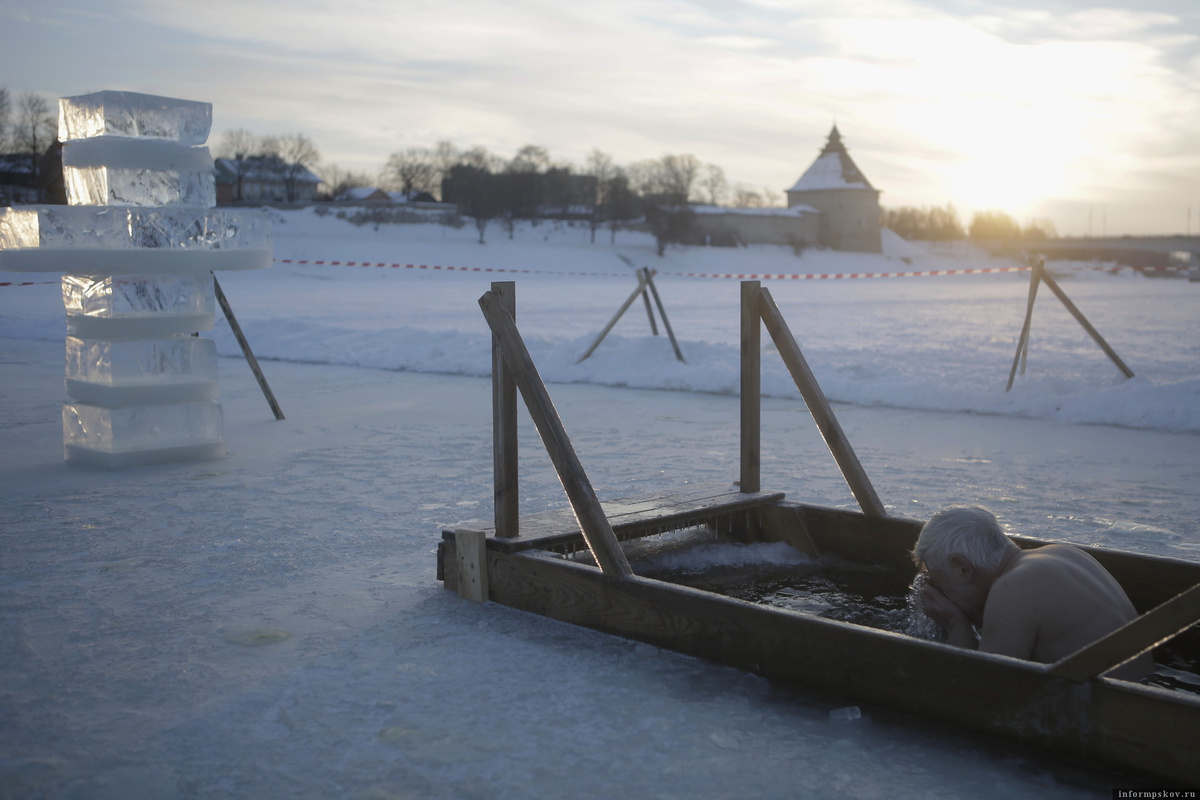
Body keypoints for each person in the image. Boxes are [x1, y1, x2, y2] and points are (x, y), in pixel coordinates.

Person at [912, 505, 1152, 680]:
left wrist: (957, 626)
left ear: (962, 568)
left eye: (940, 583)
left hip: (1120, 714)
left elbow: (983, 692)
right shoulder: (1063, 552)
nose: (940, 593)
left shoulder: (1010, 590)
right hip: (1146, 687)